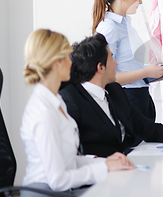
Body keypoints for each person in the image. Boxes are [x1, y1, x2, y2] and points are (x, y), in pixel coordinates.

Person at [20, 29, 135, 197]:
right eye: (67, 56)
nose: (71, 62)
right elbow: (58, 180)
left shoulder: (56, 101)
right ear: (57, 62)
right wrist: (104, 168)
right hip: (45, 192)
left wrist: (106, 162)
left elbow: (68, 160)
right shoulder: (43, 112)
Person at [59, 34, 163, 158]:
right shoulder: (71, 100)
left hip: (123, 169)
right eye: (112, 58)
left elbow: (147, 128)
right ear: (100, 67)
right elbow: (73, 154)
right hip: (95, 178)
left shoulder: (114, 91)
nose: (116, 63)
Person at [93, 0, 163, 121]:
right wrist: (146, 71)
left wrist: (159, 73)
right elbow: (104, 77)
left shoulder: (126, 25)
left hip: (141, 98)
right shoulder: (109, 28)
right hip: (127, 99)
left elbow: (131, 71)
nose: (140, 1)